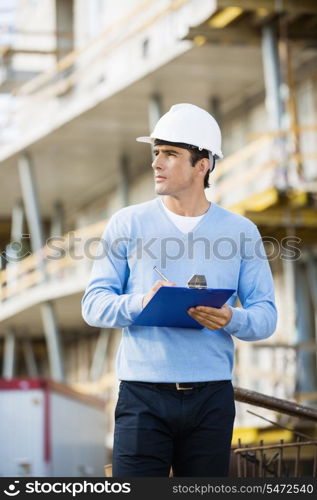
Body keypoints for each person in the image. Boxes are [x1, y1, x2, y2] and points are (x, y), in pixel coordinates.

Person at [81, 103, 277, 477]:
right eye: (156, 153)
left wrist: (230, 318)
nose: (157, 163)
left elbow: (266, 317)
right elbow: (93, 305)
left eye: (170, 154)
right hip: (142, 397)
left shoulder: (240, 232)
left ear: (202, 165)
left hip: (212, 398)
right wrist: (143, 302)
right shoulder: (127, 223)